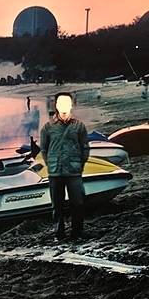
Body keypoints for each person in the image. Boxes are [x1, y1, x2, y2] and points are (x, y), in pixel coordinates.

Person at [40, 92, 90, 241]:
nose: (63, 106)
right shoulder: (47, 127)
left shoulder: (79, 126)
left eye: (66, 102)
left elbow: (85, 147)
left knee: (78, 203)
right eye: (60, 103)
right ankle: (59, 234)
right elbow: (43, 149)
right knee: (57, 205)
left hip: (74, 171)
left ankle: (77, 233)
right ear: (56, 105)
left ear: (71, 105)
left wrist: (80, 164)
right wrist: (50, 164)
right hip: (55, 172)